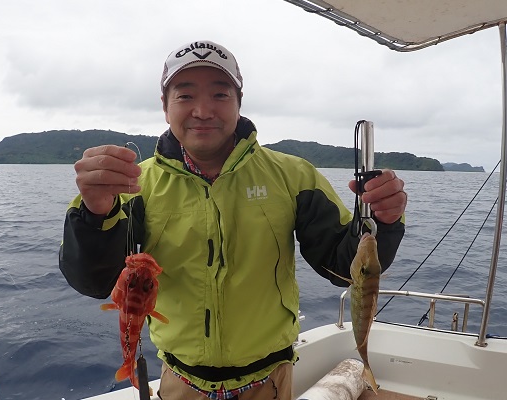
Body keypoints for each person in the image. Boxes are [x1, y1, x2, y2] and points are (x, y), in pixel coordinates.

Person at [59, 40, 407, 400]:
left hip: (269, 381)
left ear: (239, 103)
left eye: (220, 94)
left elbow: (343, 266)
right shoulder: (130, 186)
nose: (203, 110)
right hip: (180, 380)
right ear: (165, 107)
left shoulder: (293, 175)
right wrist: (95, 212)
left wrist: (384, 221)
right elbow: (94, 282)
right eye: (185, 95)